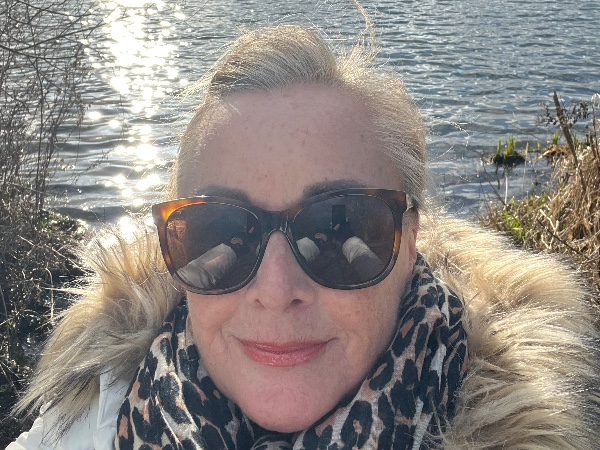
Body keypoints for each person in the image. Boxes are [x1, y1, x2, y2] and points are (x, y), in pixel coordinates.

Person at [9, 22, 600, 450]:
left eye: (338, 226)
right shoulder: (81, 423)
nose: (275, 290)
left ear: (410, 242)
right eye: (220, 232)